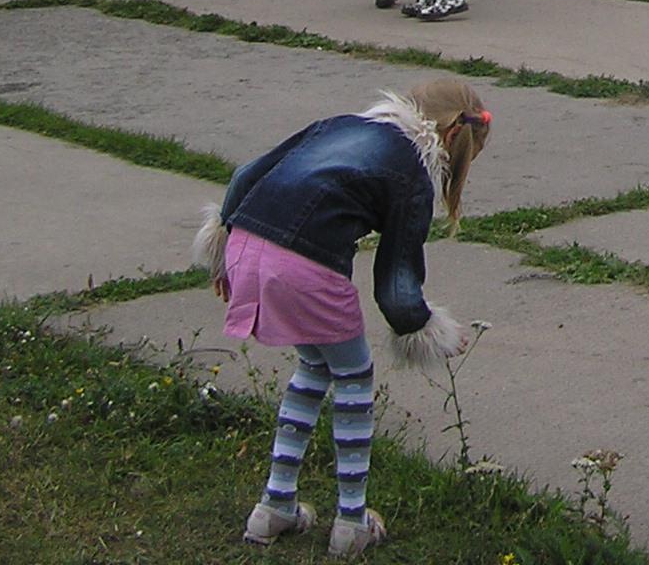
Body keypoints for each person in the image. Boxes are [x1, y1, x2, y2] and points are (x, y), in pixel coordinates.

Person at [194, 77, 492, 556]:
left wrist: (224, 245)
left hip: (247, 242)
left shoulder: (341, 125)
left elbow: (247, 174)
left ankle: (274, 507)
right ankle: (351, 519)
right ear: (453, 138)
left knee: (315, 364)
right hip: (303, 264)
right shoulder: (412, 172)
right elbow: (396, 280)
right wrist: (425, 327)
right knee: (354, 374)